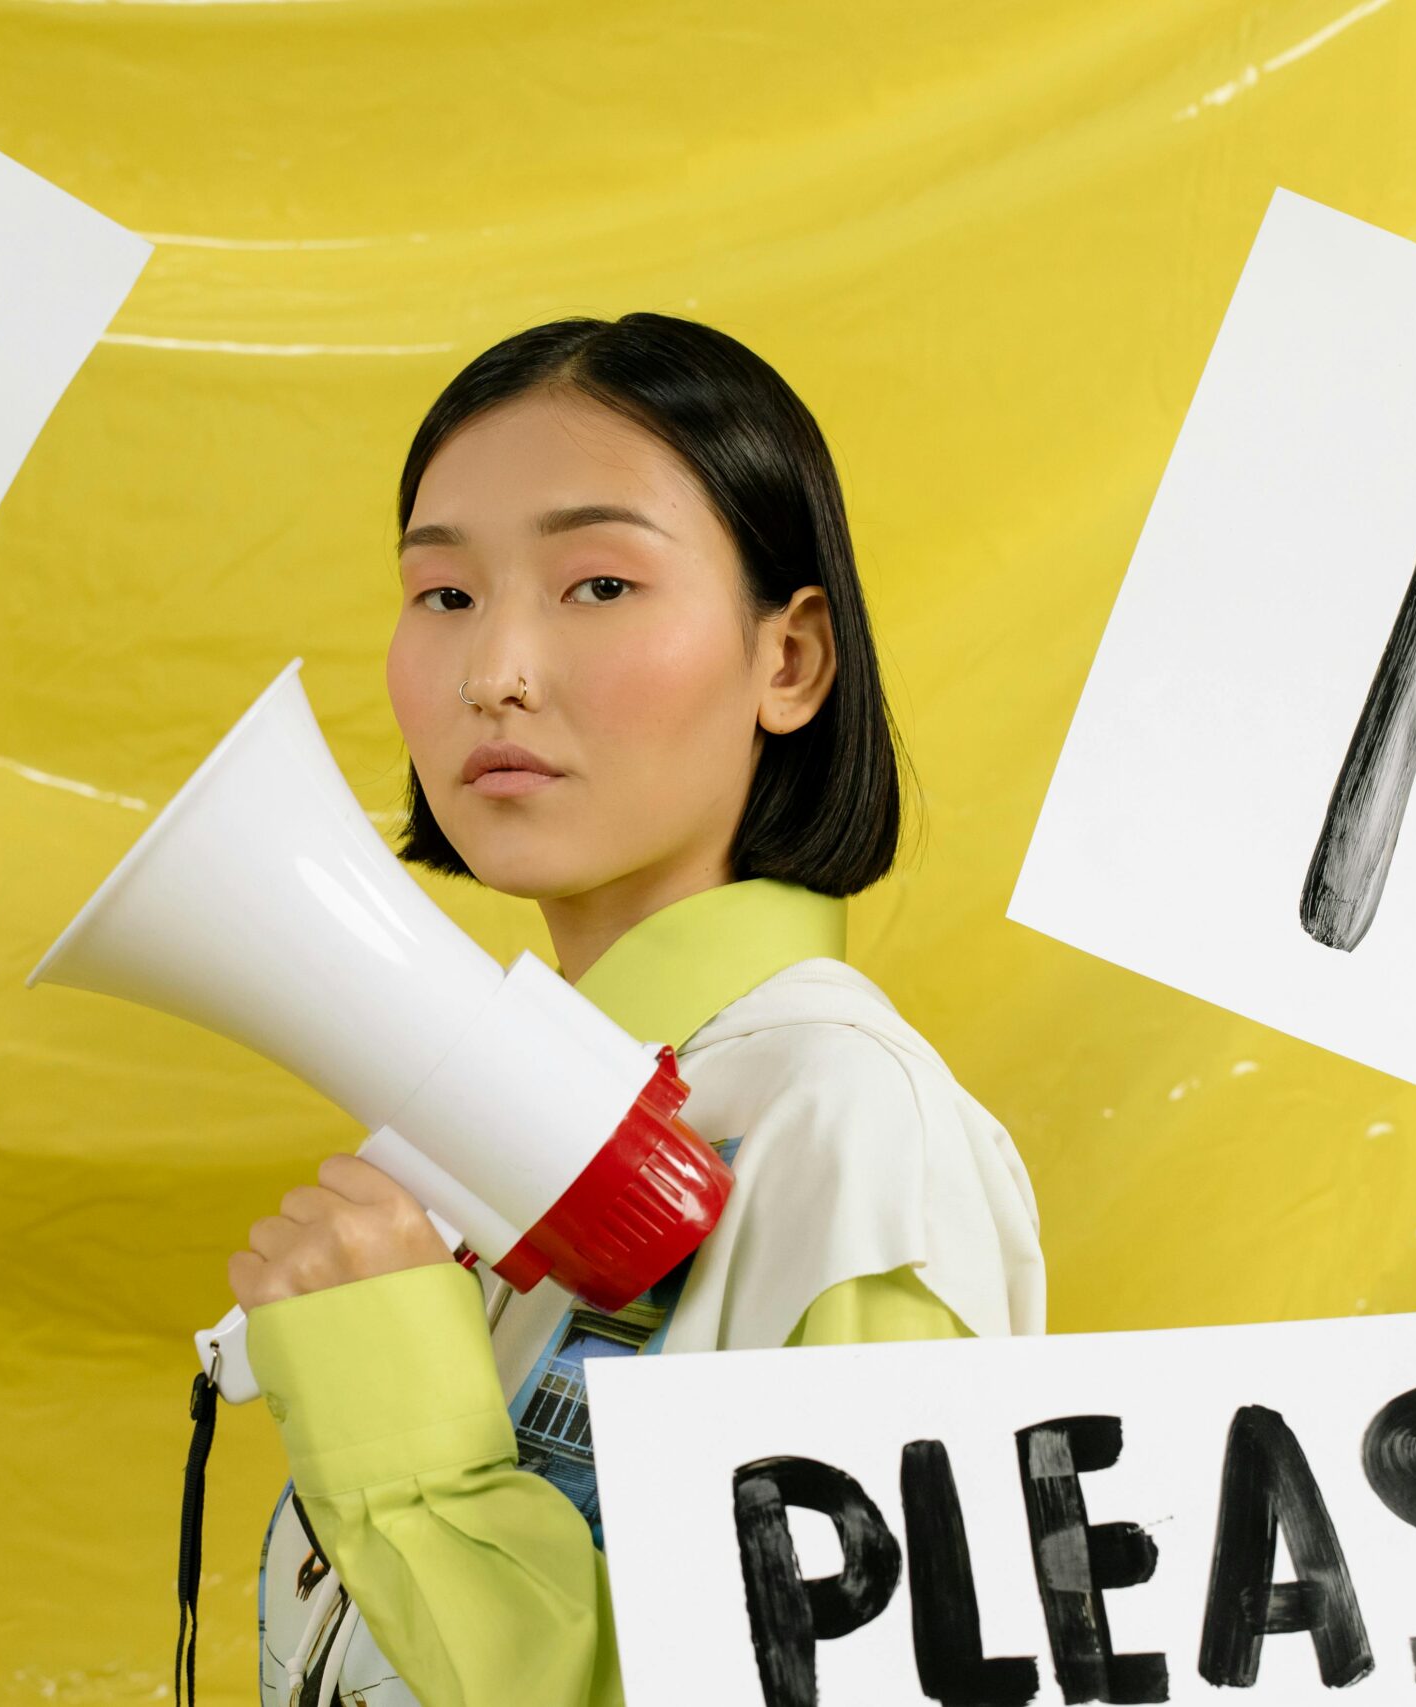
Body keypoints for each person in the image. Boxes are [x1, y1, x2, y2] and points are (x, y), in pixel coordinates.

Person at [231, 312, 1046, 1706]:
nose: (496, 671)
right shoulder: (493, 1120)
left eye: (598, 586)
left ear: (788, 663)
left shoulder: (851, 1131)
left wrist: (404, 1439)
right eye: (443, 597)